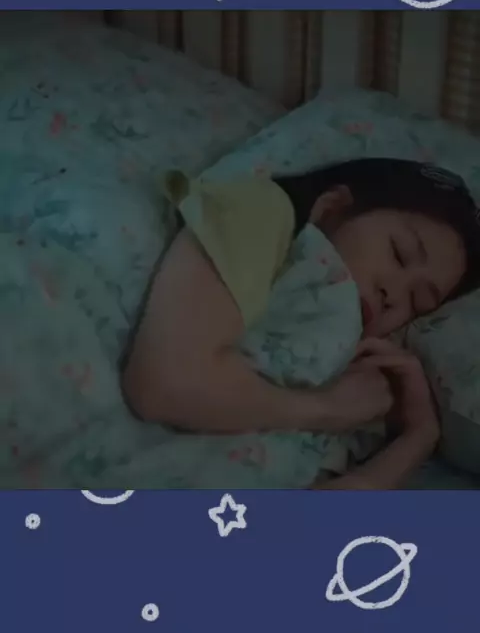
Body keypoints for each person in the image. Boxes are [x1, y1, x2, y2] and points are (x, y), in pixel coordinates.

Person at [122, 158, 480, 489]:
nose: (394, 294)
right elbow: (165, 384)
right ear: (332, 208)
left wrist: (418, 440)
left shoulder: (345, 367)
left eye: (417, 302)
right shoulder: (261, 211)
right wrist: (326, 409)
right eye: (399, 253)